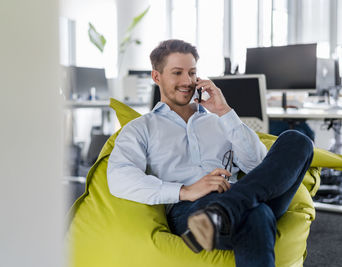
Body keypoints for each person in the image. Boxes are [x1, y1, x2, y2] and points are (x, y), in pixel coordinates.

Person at [107, 39, 314, 267]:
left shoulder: (221, 121)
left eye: (192, 72)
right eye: (177, 73)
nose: (187, 81)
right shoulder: (141, 128)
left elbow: (260, 168)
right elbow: (119, 178)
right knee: (258, 214)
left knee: (297, 140)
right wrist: (185, 191)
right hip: (192, 210)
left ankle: (225, 211)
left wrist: (225, 112)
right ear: (157, 77)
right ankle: (220, 214)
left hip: (241, 194)